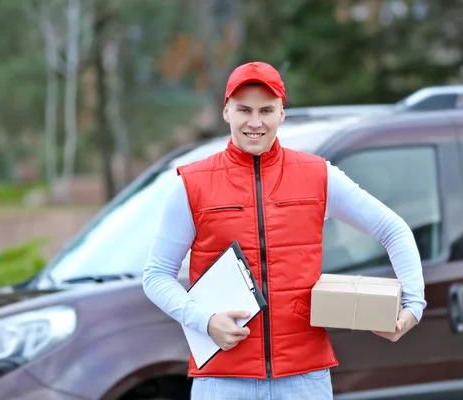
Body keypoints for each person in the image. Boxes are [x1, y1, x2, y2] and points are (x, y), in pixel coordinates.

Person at [143, 61, 426, 399]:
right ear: (226, 112)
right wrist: (203, 320)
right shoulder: (191, 184)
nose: (255, 122)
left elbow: (392, 229)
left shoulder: (319, 175)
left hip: (304, 379)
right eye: (244, 109)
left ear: (282, 114)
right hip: (222, 380)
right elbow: (157, 274)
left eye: (266, 110)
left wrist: (414, 303)